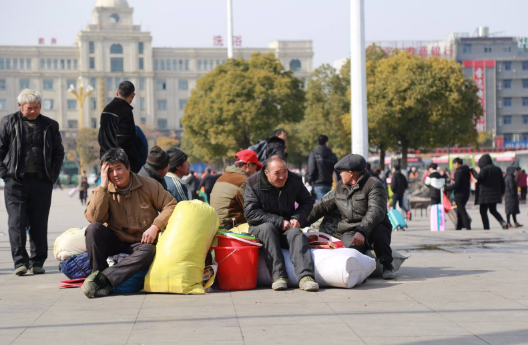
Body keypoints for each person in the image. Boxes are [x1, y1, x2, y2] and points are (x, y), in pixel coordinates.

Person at [82, 148, 177, 298]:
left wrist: (155, 226)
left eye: (119, 168)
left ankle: (102, 280)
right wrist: (103, 186)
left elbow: (171, 205)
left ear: (128, 167)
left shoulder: (149, 185)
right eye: (110, 171)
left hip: (140, 243)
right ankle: (97, 273)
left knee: (148, 251)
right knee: (93, 229)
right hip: (115, 239)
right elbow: (94, 218)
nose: (115, 174)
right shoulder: (102, 191)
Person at [0, 89, 65, 276]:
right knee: (16, 222)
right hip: (16, 182)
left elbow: (58, 152)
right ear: (20, 106)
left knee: (39, 222)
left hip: (41, 182)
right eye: (29, 108)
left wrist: (52, 175)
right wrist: (5, 175)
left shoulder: (50, 125)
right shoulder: (8, 122)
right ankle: (20, 262)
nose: (34, 111)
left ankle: (37, 262)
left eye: (37, 108)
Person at [306, 154, 395, 280]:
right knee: (351, 253)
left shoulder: (374, 185)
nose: (339, 175)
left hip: (373, 228)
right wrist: (299, 221)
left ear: (351, 173)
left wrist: (362, 231)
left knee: (379, 232)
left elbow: (376, 211)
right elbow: (321, 207)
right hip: (350, 230)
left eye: (341, 172)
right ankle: (360, 272)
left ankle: (387, 265)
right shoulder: (340, 188)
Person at [244, 155, 318, 291]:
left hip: (287, 227)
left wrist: (297, 217)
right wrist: (278, 221)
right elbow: (251, 213)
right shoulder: (253, 183)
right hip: (261, 230)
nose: (282, 176)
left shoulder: (294, 179)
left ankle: (306, 276)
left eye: (285, 171)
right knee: (268, 228)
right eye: (277, 173)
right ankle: (278, 276)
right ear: (266, 173)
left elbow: (307, 201)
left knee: (296, 234)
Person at [211, 149, 263, 229]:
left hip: (215, 226)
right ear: (248, 165)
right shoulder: (244, 181)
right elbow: (254, 210)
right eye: (255, 168)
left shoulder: (221, 177)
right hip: (230, 228)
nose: (256, 172)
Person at [98, 81, 140, 173]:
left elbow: (100, 138)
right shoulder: (125, 111)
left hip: (106, 160)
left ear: (117, 92)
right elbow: (125, 140)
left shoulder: (106, 109)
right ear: (133, 95)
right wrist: (133, 163)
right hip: (120, 165)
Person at [471, 154, 508, 230]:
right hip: (495, 194)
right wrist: (502, 192)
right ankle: (502, 222)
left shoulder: (484, 170)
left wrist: (472, 171)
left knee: (483, 211)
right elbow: (502, 182)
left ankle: (486, 227)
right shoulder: (498, 169)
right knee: (493, 210)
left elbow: (478, 177)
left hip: (484, 195)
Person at [306, 135, 338, 201]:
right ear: (326, 143)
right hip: (329, 183)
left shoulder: (314, 154)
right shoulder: (332, 155)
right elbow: (337, 169)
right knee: (327, 203)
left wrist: (308, 180)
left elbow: (311, 169)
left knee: (322, 205)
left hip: (318, 183)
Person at [444, 158, 472, 230]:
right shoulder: (466, 171)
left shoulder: (459, 171)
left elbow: (457, 184)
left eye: (453, 164)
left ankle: (468, 228)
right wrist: (454, 179)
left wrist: (446, 188)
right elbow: (462, 181)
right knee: (459, 211)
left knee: (462, 211)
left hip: (460, 194)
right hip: (466, 193)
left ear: (456, 163)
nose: (454, 166)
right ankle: (458, 227)